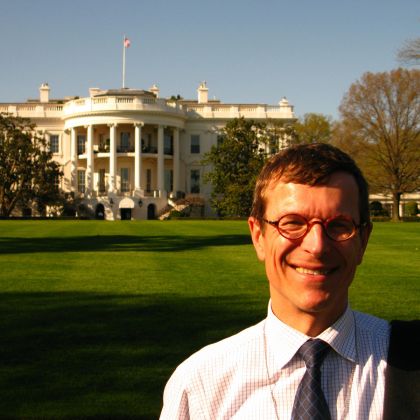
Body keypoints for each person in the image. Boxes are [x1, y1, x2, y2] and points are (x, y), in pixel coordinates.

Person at [160, 143, 418, 420]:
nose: (317, 246)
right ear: (258, 236)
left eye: (339, 225)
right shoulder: (201, 384)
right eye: (293, 223)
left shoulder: (411, 362)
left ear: (363, 241)